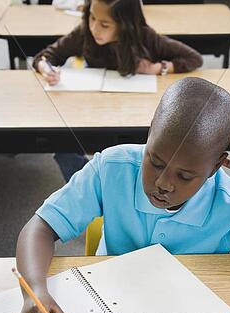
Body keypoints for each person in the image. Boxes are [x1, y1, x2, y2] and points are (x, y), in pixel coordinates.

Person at [16, 77, 230, 313]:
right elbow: (41, 227)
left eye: (185, 176)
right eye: (155, 161)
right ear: (150, 133)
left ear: (215, 167)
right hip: (105, 308)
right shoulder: (112, 167)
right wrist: (34, 290)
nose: (163, 183)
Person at [33, 0, 203, 182]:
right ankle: (87, 185)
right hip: (93, 111)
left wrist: (158, 68)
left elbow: (194, 58)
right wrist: (46, 68)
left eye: (104, 24)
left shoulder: (144, 36)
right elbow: (45, 56)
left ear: (125, 25)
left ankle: (119, 187)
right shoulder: (84, 33)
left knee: (137, 155)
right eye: (91, 17)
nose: (94, 28)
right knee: (62, 144)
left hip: (133, 115)